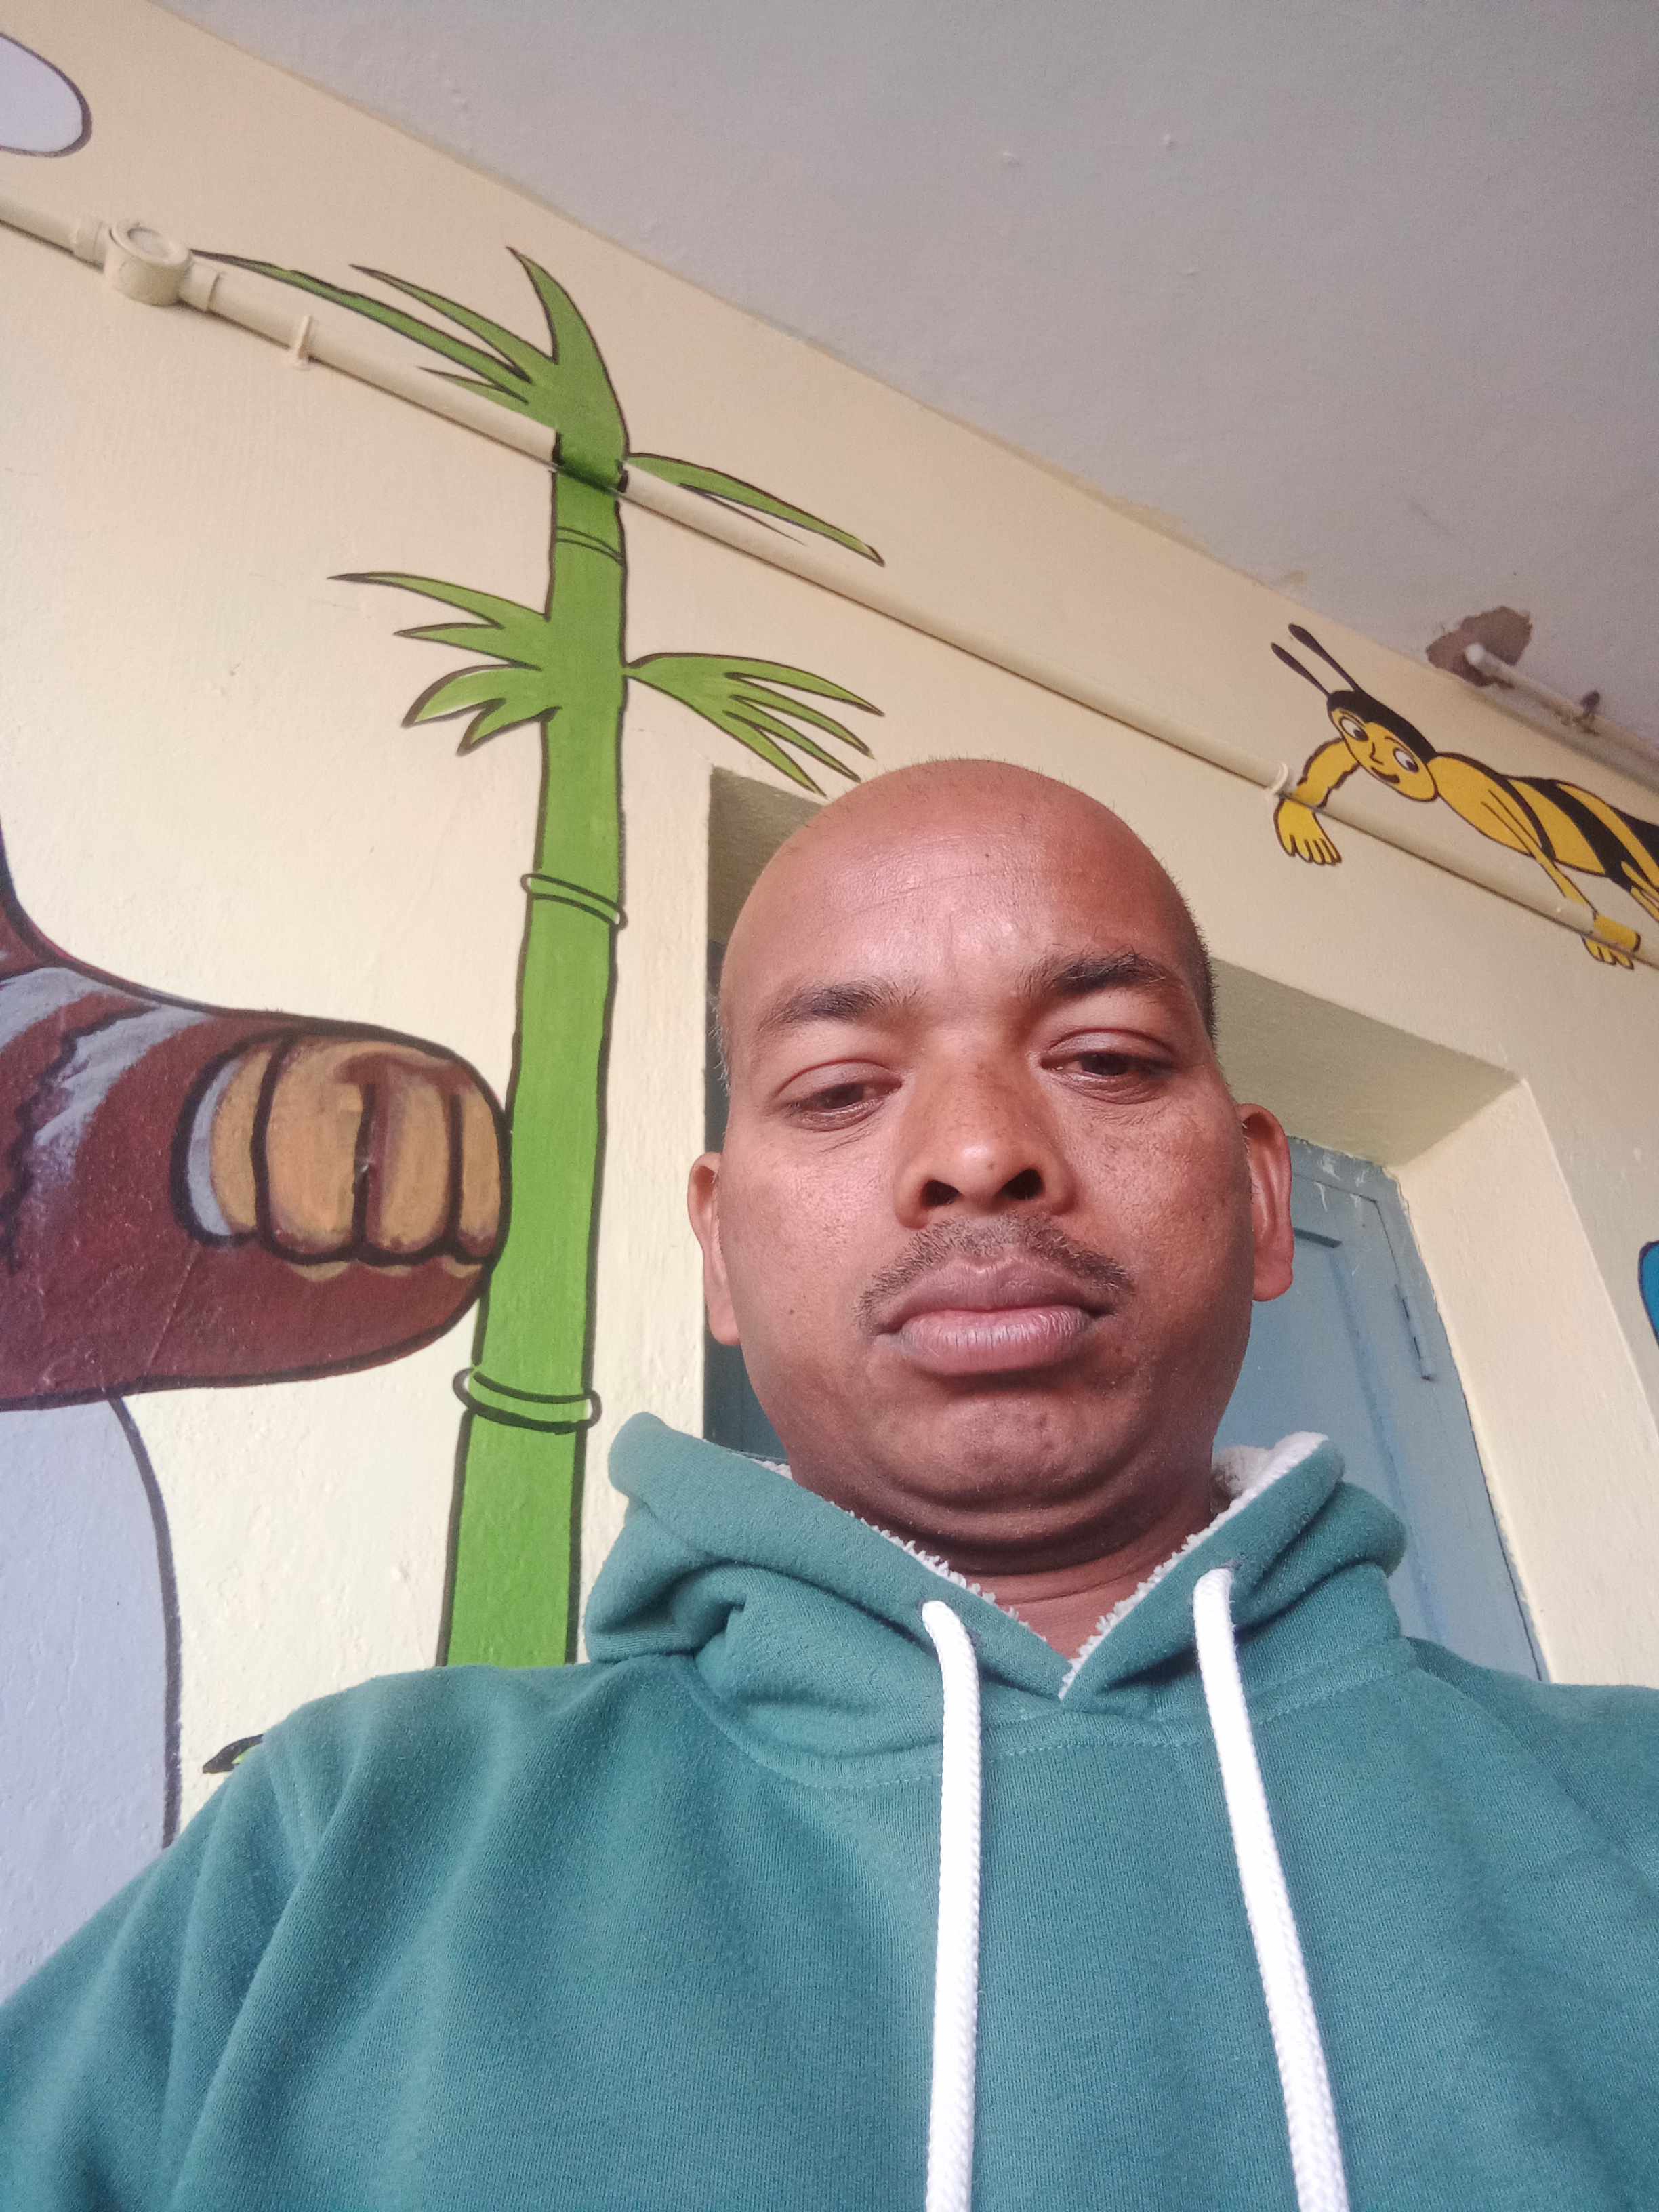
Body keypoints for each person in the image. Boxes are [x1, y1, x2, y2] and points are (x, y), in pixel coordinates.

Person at [1, 758, 1655, 2211]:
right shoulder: (349, 1833)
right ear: (720, 1247)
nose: (980, 1153)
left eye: (1104, 1056)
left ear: (1264, 1195)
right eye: (843, 1089)